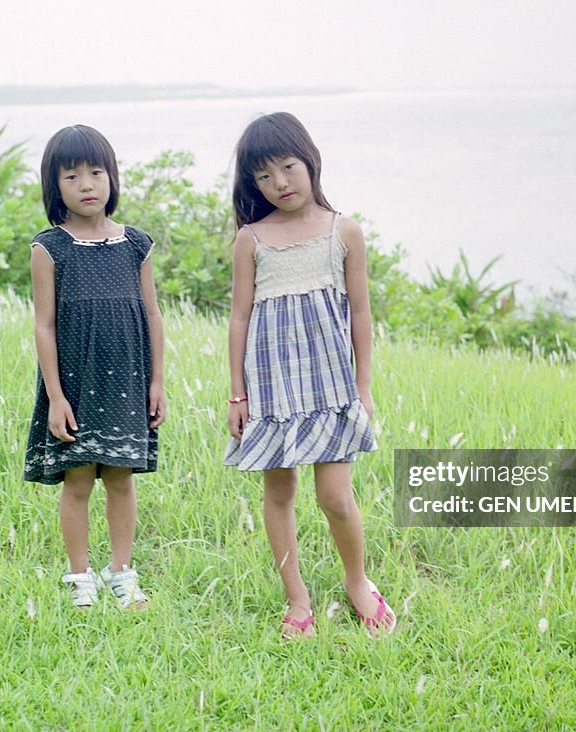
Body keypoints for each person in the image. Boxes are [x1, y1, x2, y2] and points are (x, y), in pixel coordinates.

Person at [224, 113, 396, 638]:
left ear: (310, 161)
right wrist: (237, 394)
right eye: (265, 176)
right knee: (278, 493)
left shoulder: (343, 231)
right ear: (252, 184)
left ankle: (357, 581)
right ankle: (297, 599)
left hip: (331, 386)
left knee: (335, 496)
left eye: (289, 167)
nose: (280, 183)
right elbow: (239, 317)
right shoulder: (251, 239)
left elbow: (361, 314)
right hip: (272, 389)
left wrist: (363, 386)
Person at [23, 125, 165, 611]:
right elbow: (44, 325)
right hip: (77, 384)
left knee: (122, 477)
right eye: (72, 176)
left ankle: (122, 573)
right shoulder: (50, 247)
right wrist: (57, 396)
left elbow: (152, 315)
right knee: (79, 479)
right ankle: (79, 575)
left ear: (111, 178)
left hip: (128, 379)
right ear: (54, 186)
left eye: (96, 173)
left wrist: (158, 380)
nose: (86, 184)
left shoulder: (135, 244)